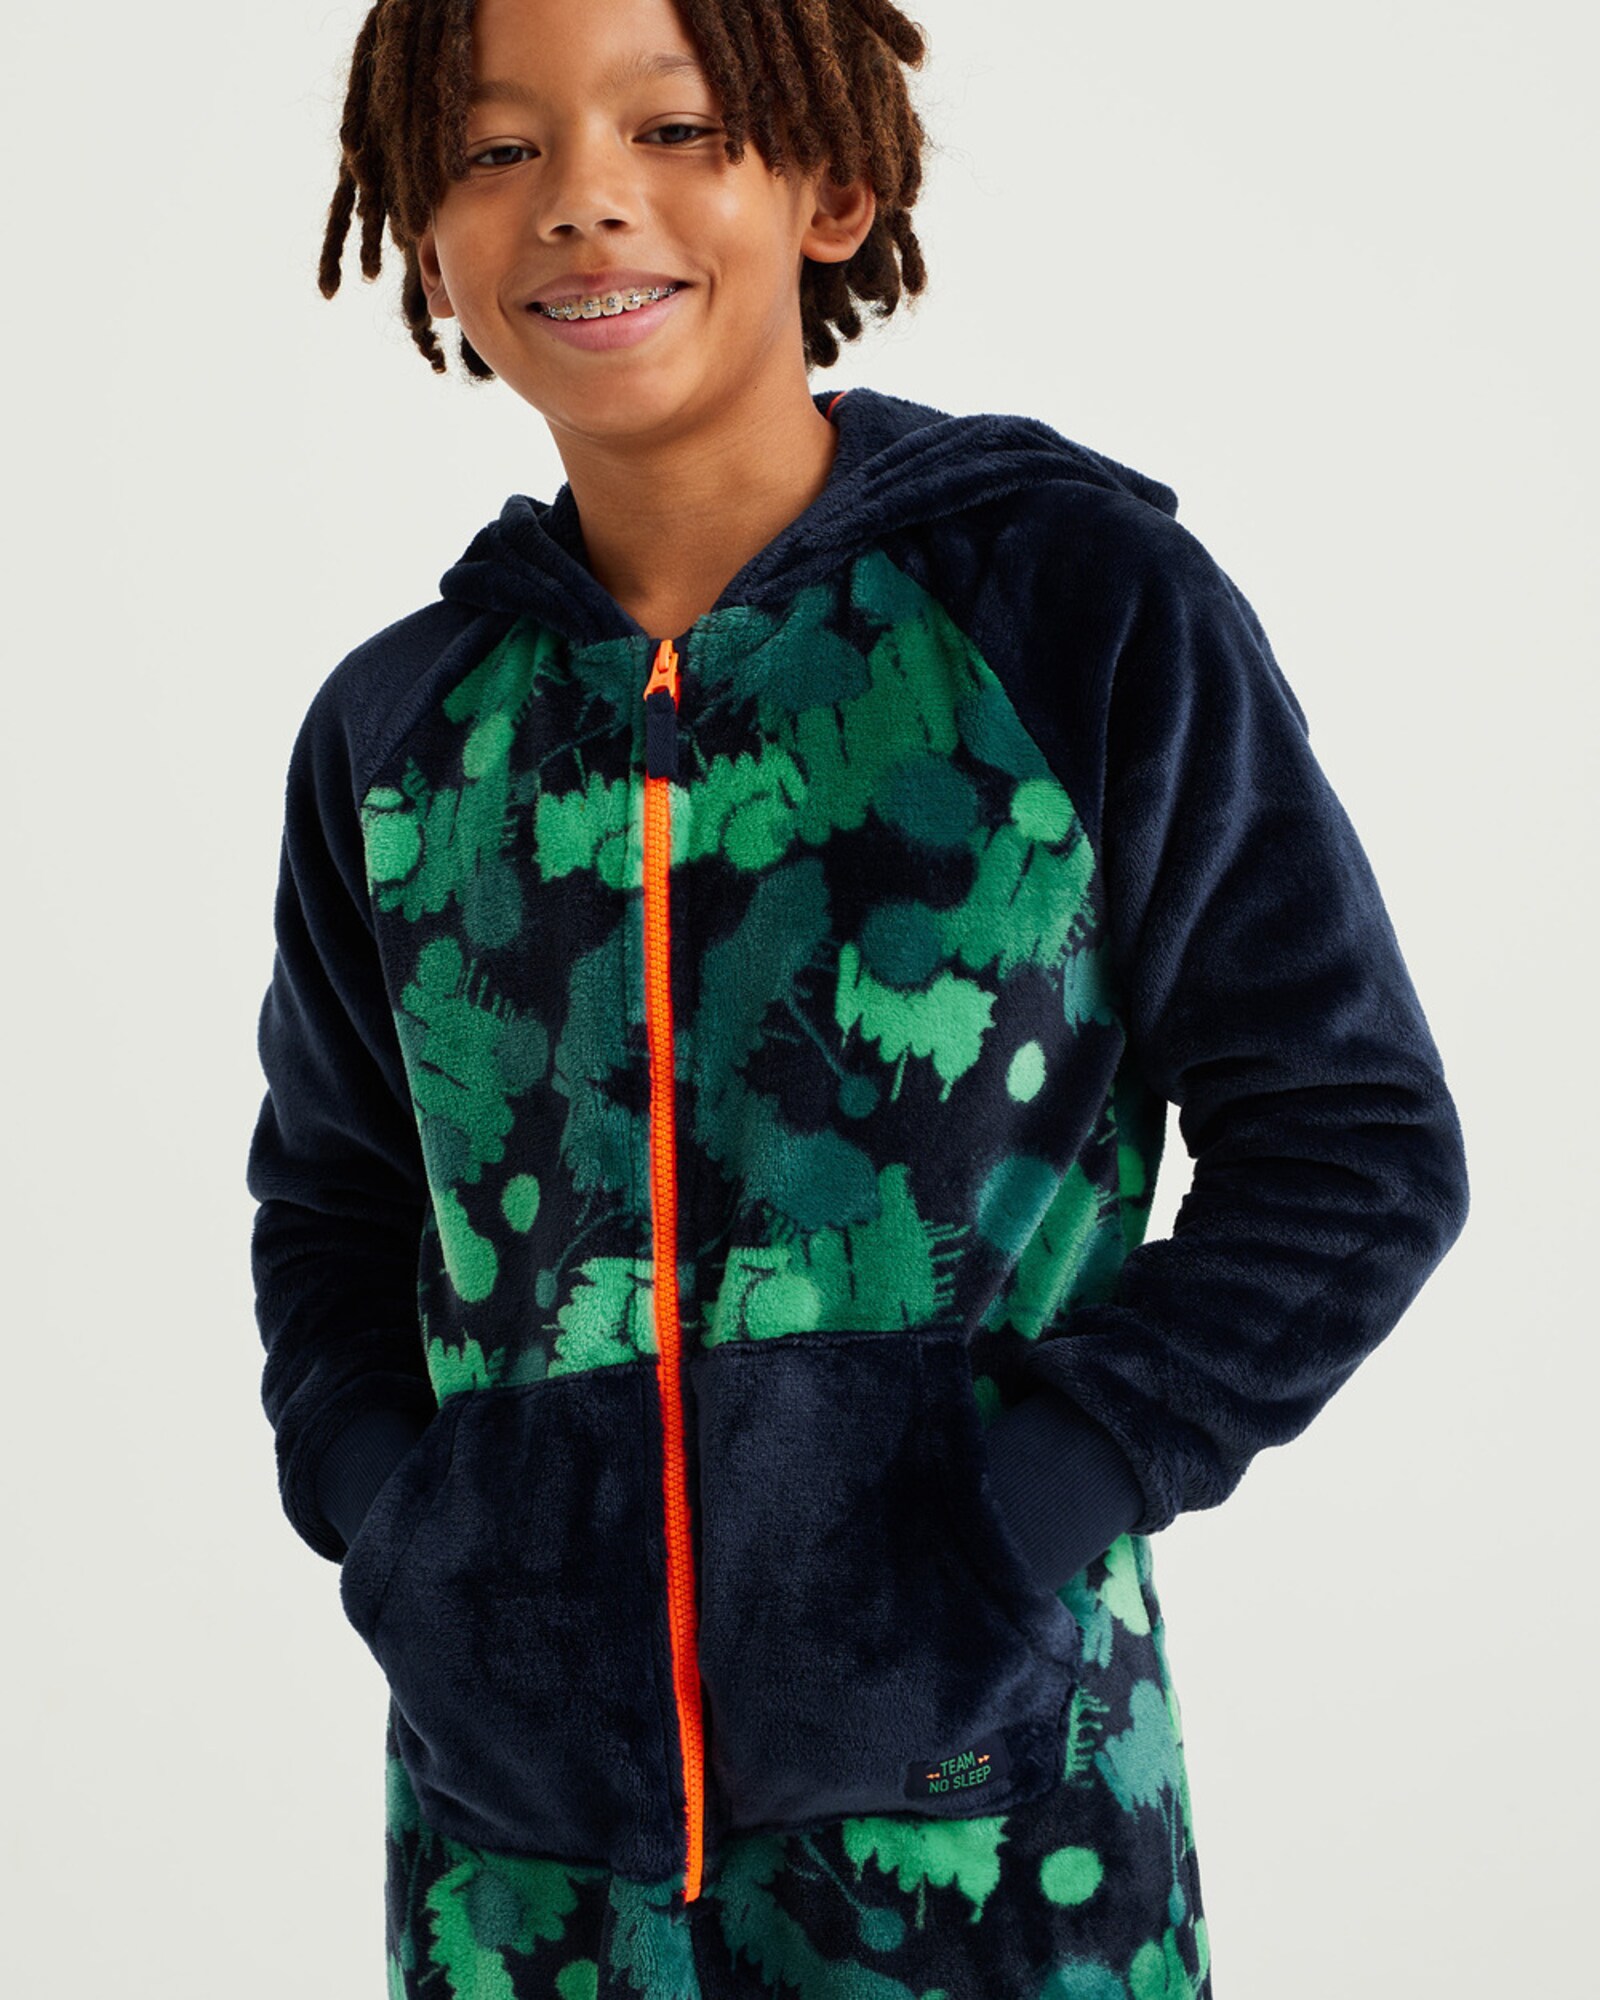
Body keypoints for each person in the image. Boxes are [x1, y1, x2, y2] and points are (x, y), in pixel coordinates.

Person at [245, 0, 1471, 1992]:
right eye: (494, 149)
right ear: (426, 235)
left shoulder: (1072, 609)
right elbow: (332, 1203)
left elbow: (1353, 1146)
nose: (582, 200)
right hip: (522, 1882)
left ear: (831, 185)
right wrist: (401, 1534)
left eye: (674, 130)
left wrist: (1022, 1504)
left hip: (991, 1844)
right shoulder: (397, 731)